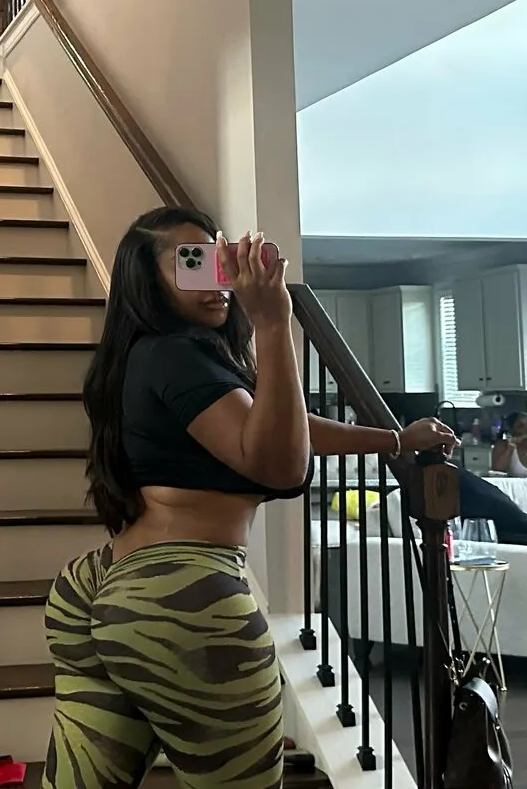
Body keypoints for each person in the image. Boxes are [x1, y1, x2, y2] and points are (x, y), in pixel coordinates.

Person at [42, 207, 458, 789]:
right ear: (147, 278)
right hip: (183, 598)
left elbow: (282, 426)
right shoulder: (178, 353)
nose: (216, 279)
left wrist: (392, 439)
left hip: (108, 585)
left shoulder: (154, 355)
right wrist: (273, 323)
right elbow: (279, 463)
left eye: (219, 260)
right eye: (191, 262)